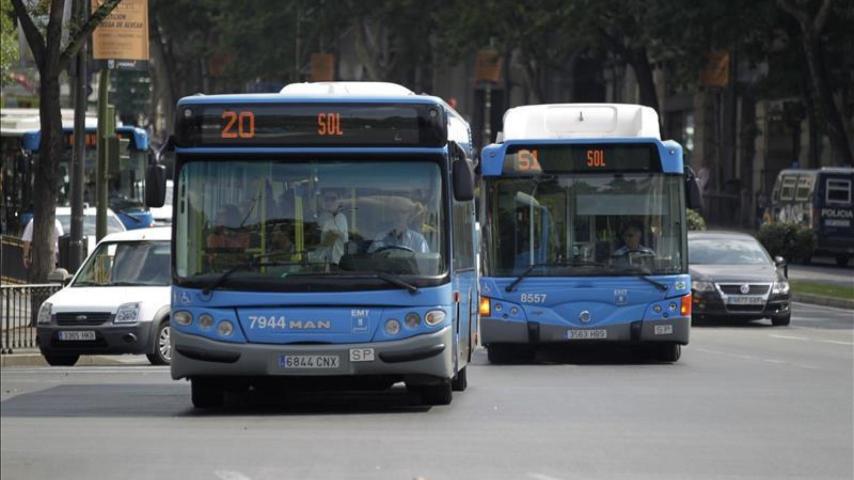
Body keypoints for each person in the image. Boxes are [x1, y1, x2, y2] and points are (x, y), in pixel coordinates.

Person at [312, 190, 348, 264]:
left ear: (339, 201)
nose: (329, 202)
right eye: (326, 199)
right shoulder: (322, 217)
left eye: (333, 199)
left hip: (335, 263)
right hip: (322, 262)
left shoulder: (340, 217)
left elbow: (331, 236)